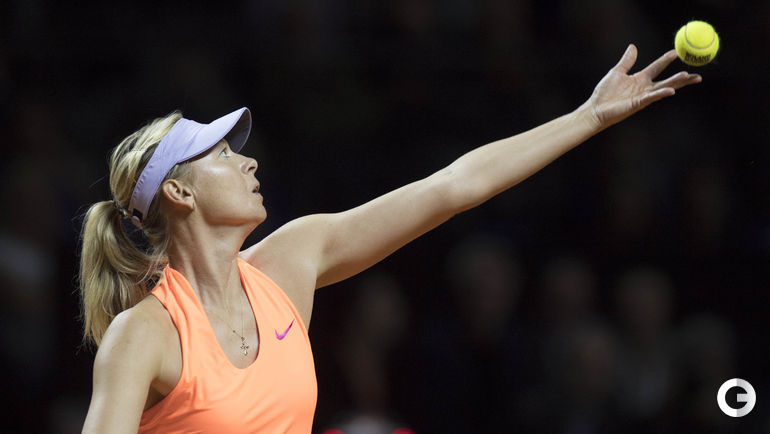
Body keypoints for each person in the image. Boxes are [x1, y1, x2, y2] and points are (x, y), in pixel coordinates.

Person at [79, 45, 701, 433]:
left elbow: (452, 187)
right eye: (221, 154)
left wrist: (588, 117)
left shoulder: (291, 261)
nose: (249, 162)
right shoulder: (145, 333)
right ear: (179, 193)